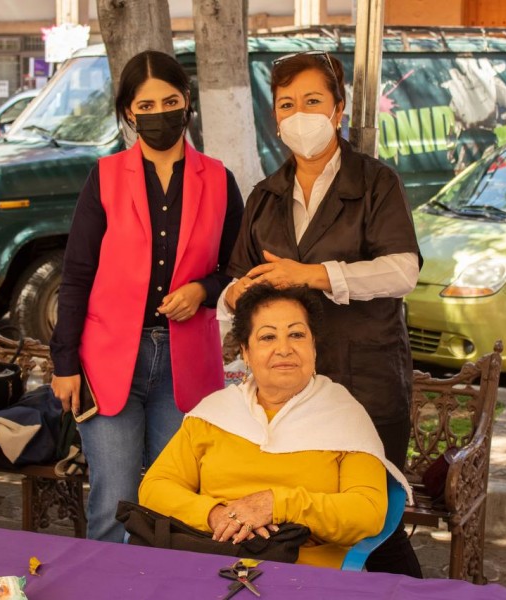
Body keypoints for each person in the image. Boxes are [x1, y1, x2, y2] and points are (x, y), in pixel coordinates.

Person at [221, 50, 423, 576]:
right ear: (276, 120)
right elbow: (236, 283)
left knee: (373, 517)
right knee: (302, 514)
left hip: (367, 376)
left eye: (313, 100)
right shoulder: (264, 196)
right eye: (287, 104)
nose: (300, 113)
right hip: (290, 387)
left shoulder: (377, 183)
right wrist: (234, 294)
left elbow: (403, 270)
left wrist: (312, 274)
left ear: (338, 109)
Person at [50, 50, 244, 543]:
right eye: (147, 105)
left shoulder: (220, 180)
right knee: (114, 503)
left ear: (187, 104)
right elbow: (76, 273)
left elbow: (240, 269)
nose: (160, 113)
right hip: (109, 360)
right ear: (129, 112)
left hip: (185, 365)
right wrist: (64, 362)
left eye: (171, 101)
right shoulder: (106, 176)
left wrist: (204, 289)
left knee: (173, 504)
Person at [139, 284, 411, 568]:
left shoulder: (344, 415)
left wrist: (276, 505)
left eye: (296, 334)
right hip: (209, 560)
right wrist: (215, 514)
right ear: (245, 351)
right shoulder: (214, 413)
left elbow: (367, 512)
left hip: (304, 574)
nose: (284, 349)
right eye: (267, 337)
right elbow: (155, 488)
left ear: (313, 346)